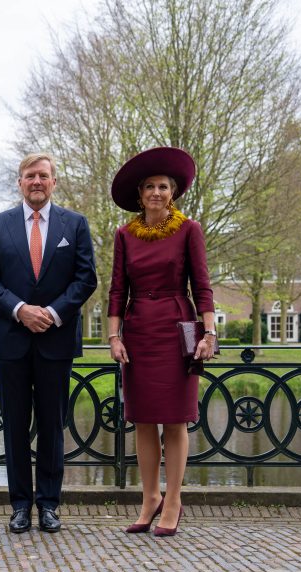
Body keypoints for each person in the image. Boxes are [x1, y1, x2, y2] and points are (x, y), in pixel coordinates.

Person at [0, 153, 97, 533]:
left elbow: (85, 279)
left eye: (43, 176)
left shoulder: (74, 224)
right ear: (20, 183)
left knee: (50, 425)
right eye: (30, 176)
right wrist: (21, 310)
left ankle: (48, 505)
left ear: (54, 182)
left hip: (56, 341)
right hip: (12, 340)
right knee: (13, 427)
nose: (37, 182)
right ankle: (19, 506)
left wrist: (53, 313)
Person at [107, 147, 216, 537]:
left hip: (177, 328)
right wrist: (114, 335)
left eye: (163, 186)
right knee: (142, 419)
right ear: (140, 194)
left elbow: (202, 285)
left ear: (173, 193)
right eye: (150, 186)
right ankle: (149, 497)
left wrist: (209, 333)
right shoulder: (124, 234)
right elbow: (117, 289)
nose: (156, 192)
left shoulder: (190, 229)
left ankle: (173, 501)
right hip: (138, 331)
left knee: (174, 418)